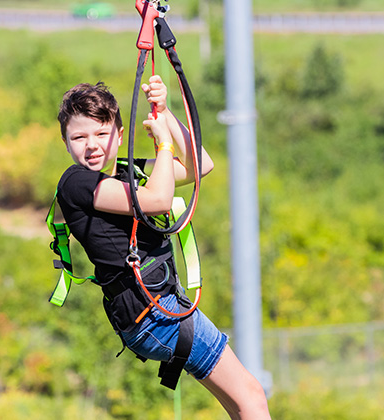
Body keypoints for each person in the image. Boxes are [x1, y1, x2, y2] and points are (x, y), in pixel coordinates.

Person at [56, 75, 271, 420]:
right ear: (66, 144)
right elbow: (157, 200)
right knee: (252, 397)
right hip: (153, 312)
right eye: (79, 137)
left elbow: (201, 166)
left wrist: (165, 112)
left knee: (240, 403)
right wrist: (165, 144)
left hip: (155, 310)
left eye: (101, 134)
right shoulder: (77, 182)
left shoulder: (127, 174)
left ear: (120, 137)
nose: (91, 145)